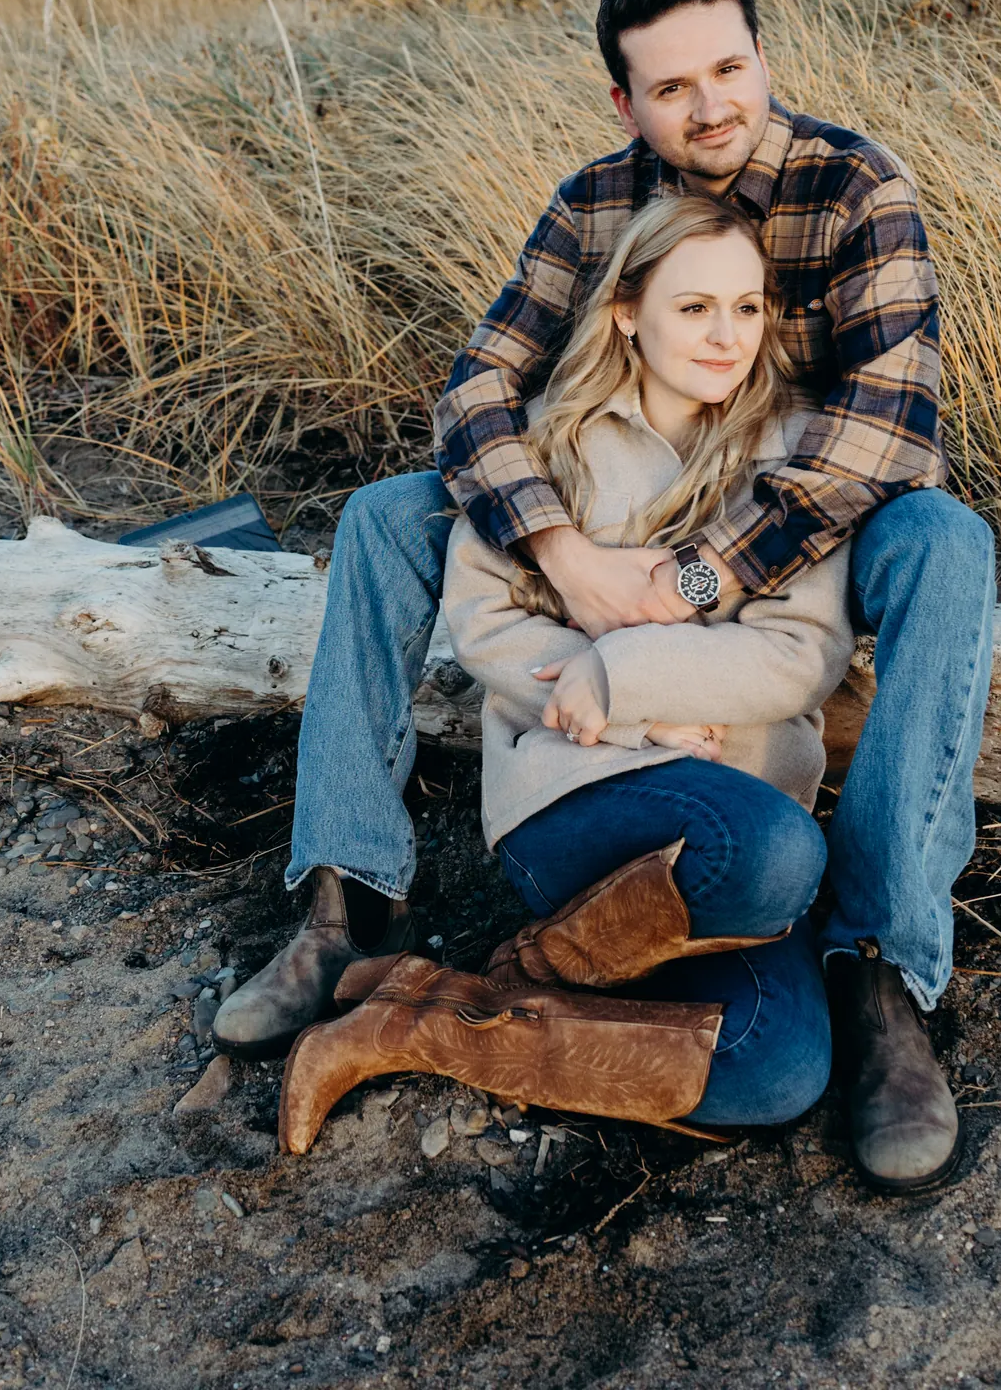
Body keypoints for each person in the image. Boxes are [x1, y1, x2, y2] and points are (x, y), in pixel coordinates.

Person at [214, 0, 997, 1192]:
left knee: (946, 539)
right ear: (625, 101)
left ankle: (885, 971)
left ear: (761, 56)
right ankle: (343, 897)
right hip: (602, 524)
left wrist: (671, 598)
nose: (710, 105)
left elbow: (882, 441)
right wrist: (562, 552)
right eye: (671, 86)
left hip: (811, 509)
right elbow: (480, 385)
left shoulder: (854, 187)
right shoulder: (598, 201)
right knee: (382, 514)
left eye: (729, 68)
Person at [277, 198, 854, 1154]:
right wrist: (634, 722)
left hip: (741, 803)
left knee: (775, 1068)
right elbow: (487, 624)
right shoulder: (546, 444)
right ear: (628, 310)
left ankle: (428, 1018)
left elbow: (798, 656)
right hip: (572, 790)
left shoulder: (796, 458)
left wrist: (625, 671)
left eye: (747, 310)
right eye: (695, 307)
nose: (726, 337)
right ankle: (557, 951)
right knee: (783, 855)